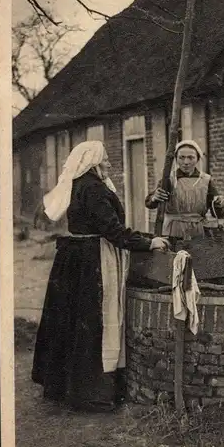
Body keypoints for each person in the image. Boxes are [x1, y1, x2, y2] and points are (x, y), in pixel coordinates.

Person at [31, 140, 169, 413]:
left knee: (75, 322)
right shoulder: (93, 189)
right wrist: (148, 243)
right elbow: (112, 230)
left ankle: (65, 388)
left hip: (77, 259)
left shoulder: (80, 184)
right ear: (94, 163)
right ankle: (91, 394)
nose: (109, 164)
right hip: (93, 259)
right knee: (96, 320)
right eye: (106, 160)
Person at [145, 140, 224, 239]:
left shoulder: (206, 180)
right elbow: (150, 203)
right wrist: (155, 197)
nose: (186, 162)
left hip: (198, 231)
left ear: (197, 159)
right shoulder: (169, 179)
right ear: (176, 159)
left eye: (191, 157)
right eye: (182, 157)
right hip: (172, 231)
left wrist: (219, 204)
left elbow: (216, 211)